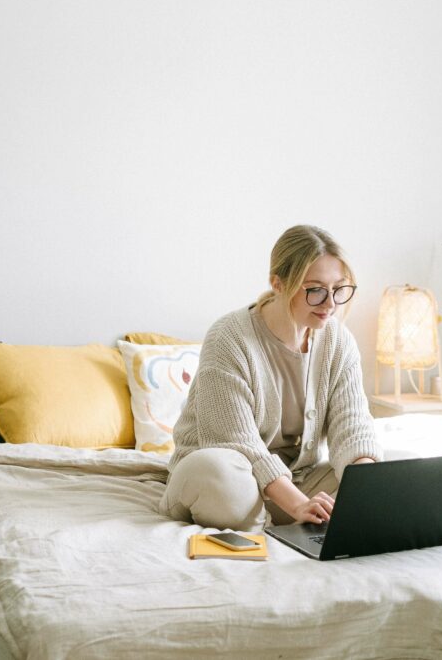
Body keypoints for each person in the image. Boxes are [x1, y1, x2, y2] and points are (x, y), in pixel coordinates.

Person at [159, 224, 382, 531]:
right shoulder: (229, 338)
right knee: (216, 472)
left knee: (394, 467)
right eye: (315, 290)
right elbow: (237, 444)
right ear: (278, 283)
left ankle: (289, 522)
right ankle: (279, 523)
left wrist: (368, 485)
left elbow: (352, 427)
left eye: (339, 289)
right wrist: (298, 504)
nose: (330, 304)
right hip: (230, 477)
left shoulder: (339, 342)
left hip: (300, 480)